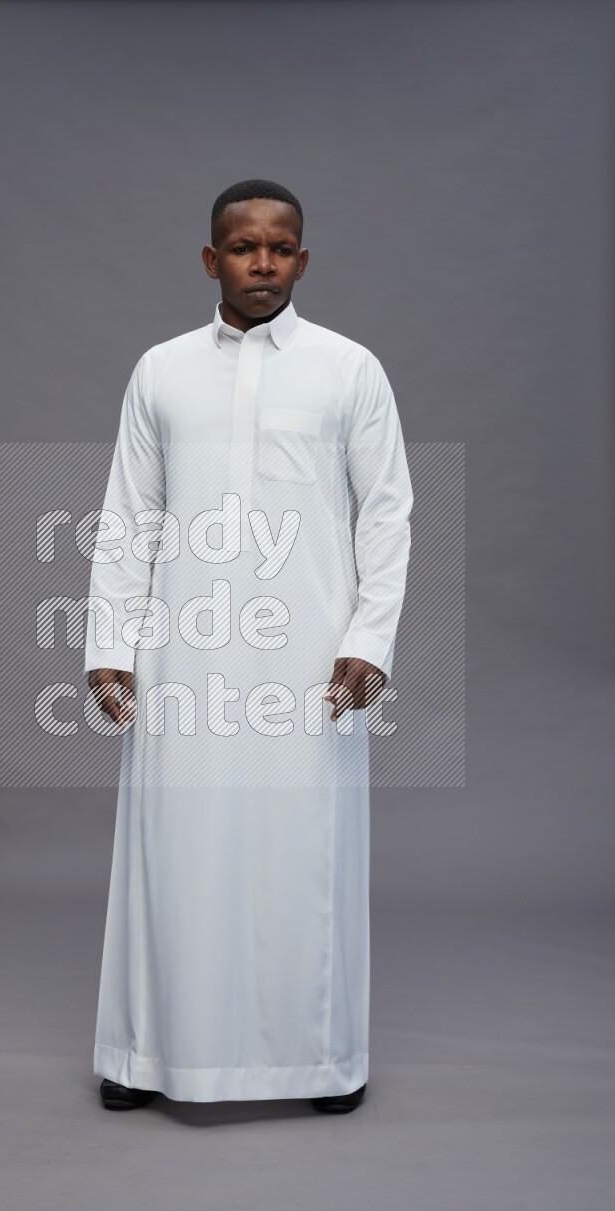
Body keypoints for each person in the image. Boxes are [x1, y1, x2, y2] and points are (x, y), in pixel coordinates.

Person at [84, 178, 413, 1113]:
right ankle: (144, 1052)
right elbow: (129, 514)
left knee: (301, 850)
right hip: (183, 650)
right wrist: (109, 638)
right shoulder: (161, 370)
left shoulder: (350, 369)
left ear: (302, 261)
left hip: (308, 658)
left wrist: (369, 638)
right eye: (242, 246)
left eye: (280, 247)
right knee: (170, 844)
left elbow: (387, 513)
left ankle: (319, 1059)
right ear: (210, 259)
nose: (261, 261)